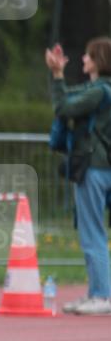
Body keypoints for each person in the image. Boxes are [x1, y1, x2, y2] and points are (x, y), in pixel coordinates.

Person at [45, 37, 111, 316]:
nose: (83, 59)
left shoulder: (98, 92)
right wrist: (58, 75)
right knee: (94, 231)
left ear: (99, 61)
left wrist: (58, 74)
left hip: (93, 167)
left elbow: (63, 107)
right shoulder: (99, 90)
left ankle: (102, 295)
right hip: (103, 167)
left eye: (88, 56)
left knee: (92, 232)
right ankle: (96, 293)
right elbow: (67, 97)